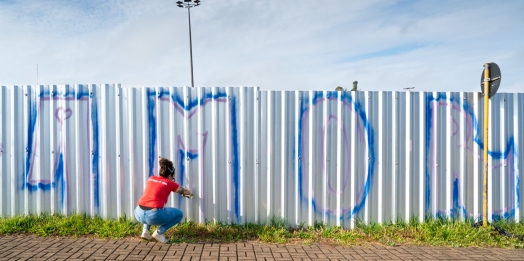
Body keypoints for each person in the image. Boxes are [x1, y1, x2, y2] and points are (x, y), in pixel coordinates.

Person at [134, 158, 192, 243]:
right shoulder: (170, 183)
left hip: (138, 213)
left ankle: (145, 231)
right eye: (172, 177)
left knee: (149, 204)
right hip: (153, 215)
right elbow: (187, 192)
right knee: (179, 214)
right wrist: (188, 191)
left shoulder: (151, 178)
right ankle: (159, 233)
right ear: (169, 176)